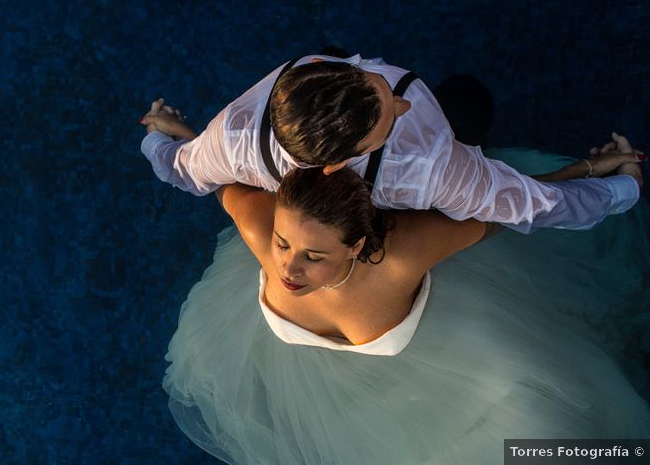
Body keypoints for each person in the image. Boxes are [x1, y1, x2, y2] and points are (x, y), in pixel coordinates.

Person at [151, 112, 650, 463]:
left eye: (313, 256)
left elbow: (523, 211)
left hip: (439, 387)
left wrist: (608, 178)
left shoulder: (403, 253)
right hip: (317, 392)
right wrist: (164, 136)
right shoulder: (261, 227)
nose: (288, 270)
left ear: (357, 246)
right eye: (284, 243)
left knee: (539, 427)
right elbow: (209, 171)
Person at [140, 54, 643, 233]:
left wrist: (155, 136)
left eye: (362, 77)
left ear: (316, 69)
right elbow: (534, 206)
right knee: (469, 101)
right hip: (424, 184)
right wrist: (627, 188)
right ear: (337, 165)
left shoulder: (231, 138)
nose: (404, 107)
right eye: (389, 119)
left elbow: (182, 170)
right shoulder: (433, 167)